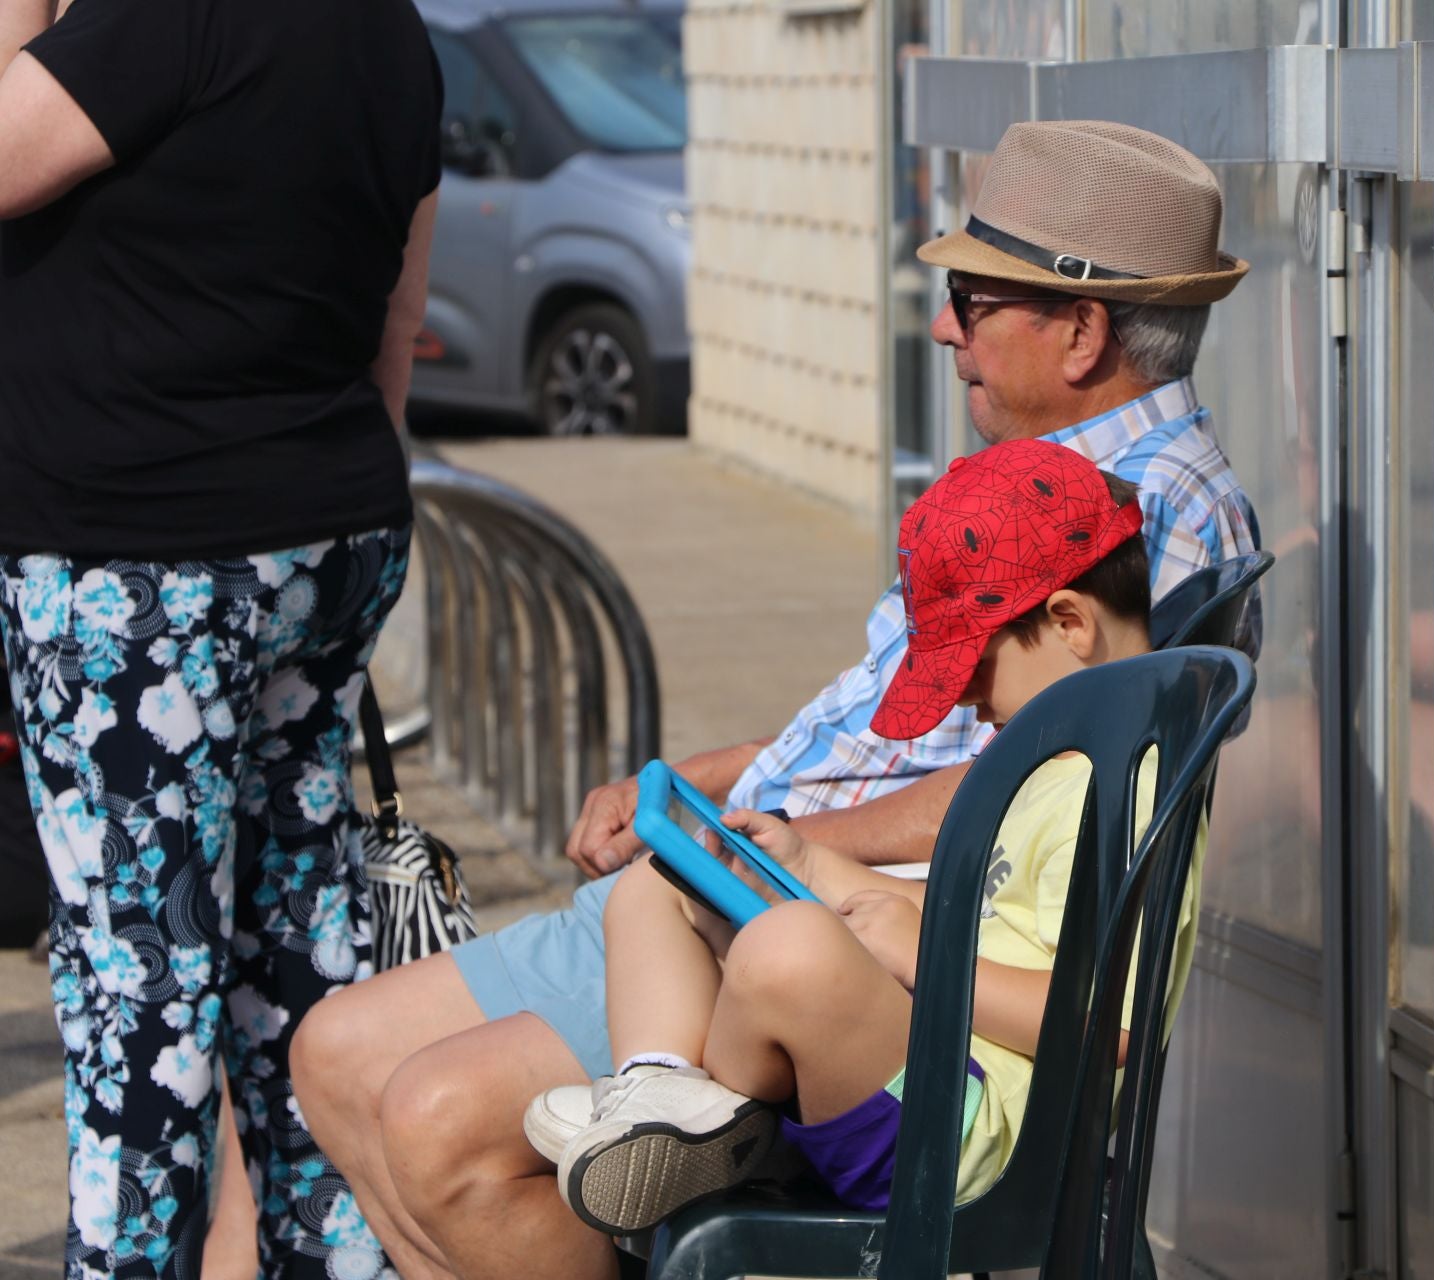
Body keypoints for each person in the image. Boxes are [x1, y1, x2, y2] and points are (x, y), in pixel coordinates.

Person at [290, 119, 1256, 1280]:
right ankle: (661, 1093)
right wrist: (715, 783)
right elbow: (929, 721)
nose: (944, 326)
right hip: (770, 884)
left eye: (977, 297)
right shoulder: (1051, 485)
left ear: (1086, 329)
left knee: (434, 1118)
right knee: (334, 1055)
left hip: (829, 944)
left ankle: (678, 1113)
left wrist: (784, 851)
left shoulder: (1130, 520)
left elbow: (1031, 793)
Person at [0, 0, 441, 1270]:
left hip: (141, 559)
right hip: (326, 531)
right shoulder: (391, 31)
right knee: (297, 962)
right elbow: (397, 324)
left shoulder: (164, 17)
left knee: (140, 983)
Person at [530, 440, 1191, 1234]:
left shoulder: (1126, 785)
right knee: (659, 885)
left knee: (793, 950)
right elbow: (986, 913)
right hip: (925, 1054)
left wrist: (919, 954)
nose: (966, 701)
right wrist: (811, 864)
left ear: (1069, 622)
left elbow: (1108, 1026)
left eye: (973, 669)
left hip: (971, 1129)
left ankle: (710, 1127)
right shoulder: (1064, 755)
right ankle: (657, 1090)